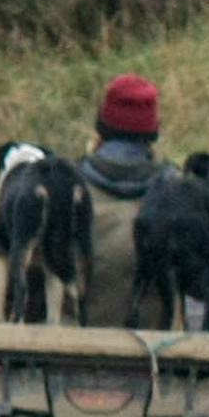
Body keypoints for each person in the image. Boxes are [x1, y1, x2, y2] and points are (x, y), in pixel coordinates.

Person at [75, 74, 168, 330]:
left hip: (72, 355)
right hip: (159, 358)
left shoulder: (66, 189)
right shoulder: (178, 194)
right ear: (153, 130)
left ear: (101, 125)